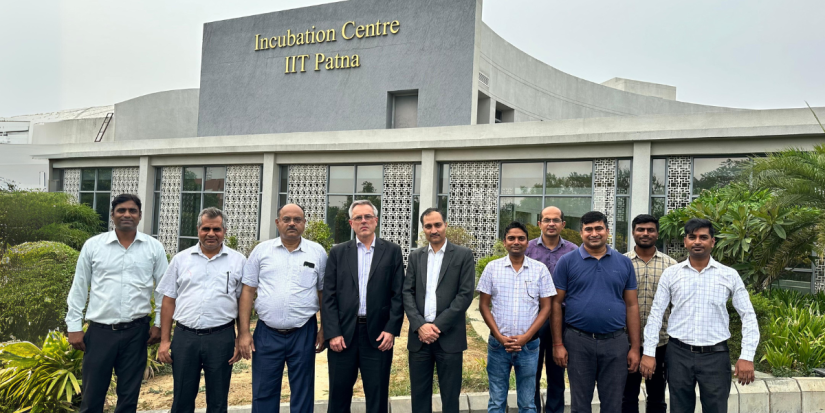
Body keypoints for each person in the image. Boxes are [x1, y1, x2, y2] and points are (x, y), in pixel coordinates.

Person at [641, 218, 759, 413]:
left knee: (716, 409)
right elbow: (655, 315)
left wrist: (747, 356)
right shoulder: (671, 274)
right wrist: (649, 352)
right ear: (685, 241)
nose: (697, 241)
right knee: (679, 409)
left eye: (703, 237)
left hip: (716, 356)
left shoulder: (729, 275)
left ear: (712, 242)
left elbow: (748, 315)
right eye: (692, 237)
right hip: (678, 354)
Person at [66, 194, 168, 413]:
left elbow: (163, 290)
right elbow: (79, 287)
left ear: (140, 216)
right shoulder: (94, 246)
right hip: (100, 332)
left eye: (132, 211)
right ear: (112, 215)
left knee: (128, 398)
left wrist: (159, 323)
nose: (127, 215)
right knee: (92, 398)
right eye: (121, 210)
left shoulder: (154, 247)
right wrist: (74, 326)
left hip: (136, 332)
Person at [237, 204, 327, 413]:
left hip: (304, 332)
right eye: (286, 219)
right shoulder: (262, 251)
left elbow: (323, 293)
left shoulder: (317, 252)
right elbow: (248, 291)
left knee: (303, 392)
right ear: (278, 223)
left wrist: (324, 328)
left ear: (304, 223)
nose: (292, 224)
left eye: (297, 219)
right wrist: (243, 332)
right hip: (267, 333)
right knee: (264, 391)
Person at [155, 207, 246, 413]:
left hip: (221, 337)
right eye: (206, 229)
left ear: (224, 231)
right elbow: (168, 301)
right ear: (198, 230)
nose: (211, 234)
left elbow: (243, 302)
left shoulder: (238, 260)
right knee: (182, 398)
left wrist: (241, 337)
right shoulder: (181, 259)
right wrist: (164, 340)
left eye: (216, 229)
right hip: (185, 337)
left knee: (218, 399)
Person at [551, 211, 641, 413]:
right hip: (578, 341)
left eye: (599, 228)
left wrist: (634, 347)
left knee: (613, 405)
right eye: (588, 229)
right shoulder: (566, 262)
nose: (594, 233)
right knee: (580, 405)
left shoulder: (624, 263)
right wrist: (558, 344)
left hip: (616, 342)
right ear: (581, 233)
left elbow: (632, 305)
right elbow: (556, 304)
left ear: (607, 231)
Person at [322, 199, 404, 413]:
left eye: (368, 217)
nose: (363, 221)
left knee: (377, 396)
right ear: (351, 223)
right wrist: (333, 332)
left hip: (378, 336)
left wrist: (391, 329)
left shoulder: (392, 251)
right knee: (338, 396)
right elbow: (328, 296)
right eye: (358, 217)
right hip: (343, 335)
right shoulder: (338, 252)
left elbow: (398, 295)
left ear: (376, 221)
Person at [477, 221, 556, 413]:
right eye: (511, 238)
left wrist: (527, 336)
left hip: (529, 346)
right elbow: (483, 305)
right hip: (498, 346)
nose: (516, 242)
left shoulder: (540, 270)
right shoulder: (492, 268)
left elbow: (546, 307)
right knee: (496, 402)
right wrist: (498, 336)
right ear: (504, 242)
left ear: (528, 242)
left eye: (521, 238)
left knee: (528, 403)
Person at [403, 208, 475, 413]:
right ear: (423, 229)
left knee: (450, 398)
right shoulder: (416, 256)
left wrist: (436, 327)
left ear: (445, 225)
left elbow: (465, 295)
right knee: (419, 396)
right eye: (428, 226)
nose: (433, 230)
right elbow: (407, 292)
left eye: (437, 225)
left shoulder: (463, 255)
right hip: (419, 339)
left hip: (450, 338)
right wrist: (420, 326)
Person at [622, 214, 677, 413]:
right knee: (627, 397)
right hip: (626, 342)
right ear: (633, 232)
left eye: (650, 230)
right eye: (641, 229)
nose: (645, 234)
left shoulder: (671, 266)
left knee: (657, 396)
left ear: (657, 233)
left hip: (662, 342)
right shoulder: (621, 263)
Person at [525, 206, 578, 413]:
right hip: (533, 316)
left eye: (556, 220)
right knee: (532, 370)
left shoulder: (573, 251)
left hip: (563, 317)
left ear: (563, 225)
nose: (551, 224)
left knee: (558, 368)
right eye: (546, 220)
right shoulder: (528, 249)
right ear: (539, 224)